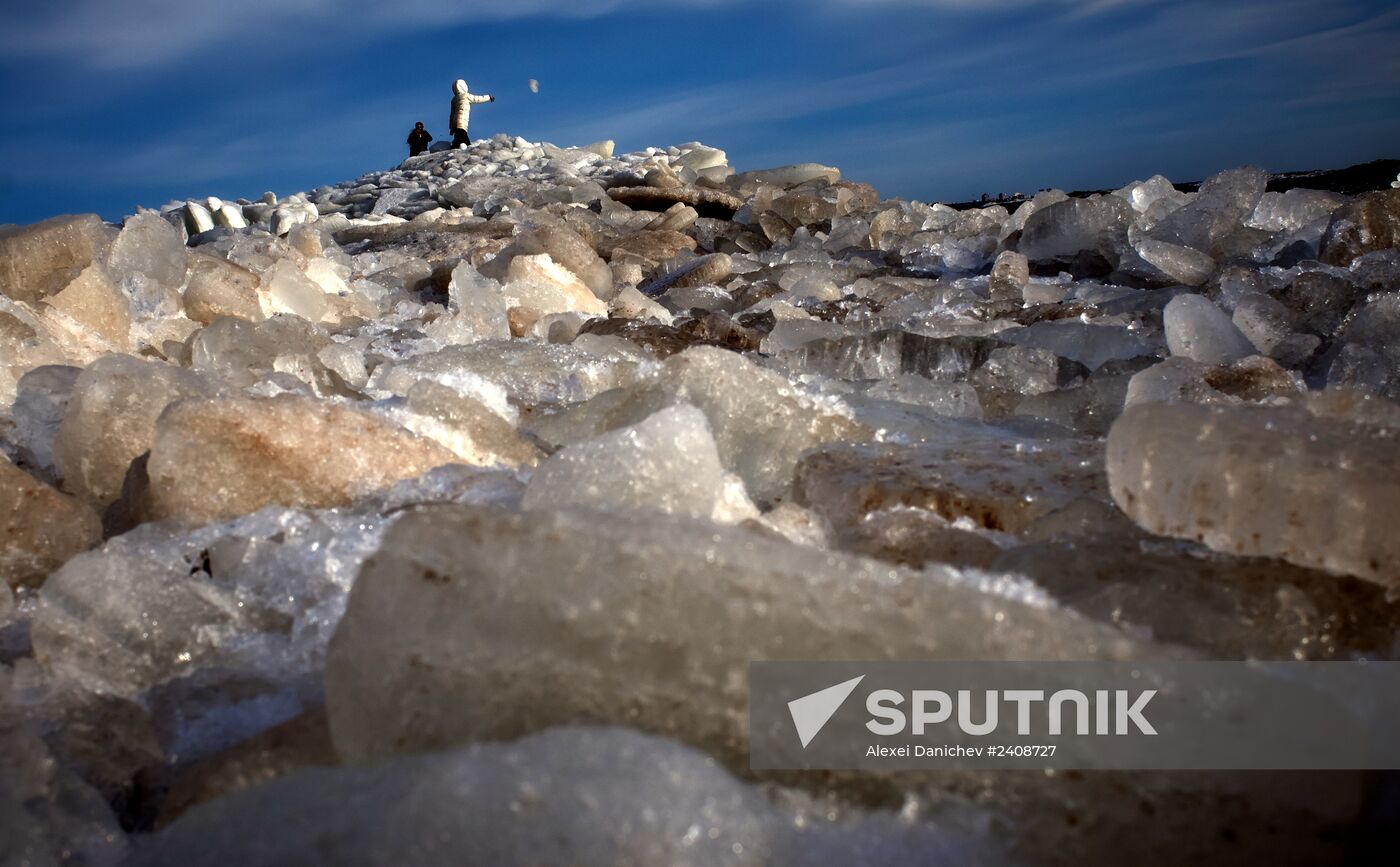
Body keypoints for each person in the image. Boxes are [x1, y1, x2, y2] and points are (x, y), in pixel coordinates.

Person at [449, 79, 495, 147]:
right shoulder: (466, 96)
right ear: (463, 87)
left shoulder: (454, 100)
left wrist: (451, 127)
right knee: (464, 140)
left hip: (455, 124)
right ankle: (464, 150)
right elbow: (478, 99)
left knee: (458, 138)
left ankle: (456, 148)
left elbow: (451, 115)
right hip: (462, 123)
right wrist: (488, 97)